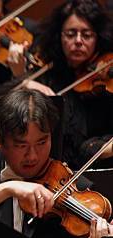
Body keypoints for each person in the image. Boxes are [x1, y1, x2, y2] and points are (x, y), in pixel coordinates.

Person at [0, 88, 103, 238]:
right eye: (21, 146)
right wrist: (8, 189)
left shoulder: (78, 188)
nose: (33, 156)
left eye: (42, 142)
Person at [28, 0, 112, 170]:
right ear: (59, 36)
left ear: (98, 38)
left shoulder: (105, 88)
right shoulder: (47, 73)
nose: (78, 41)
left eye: (87, 35)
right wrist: (24, 83)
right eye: (71, 34)